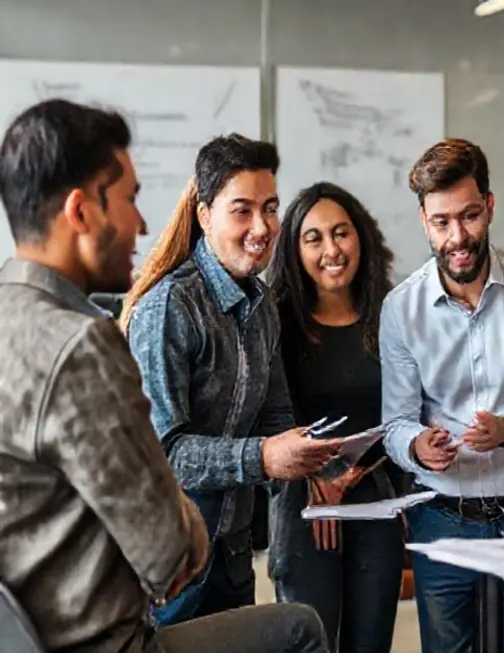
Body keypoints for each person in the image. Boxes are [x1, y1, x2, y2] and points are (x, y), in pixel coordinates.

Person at [0, 99, 326, 653]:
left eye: (271, 208)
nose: (144, 222)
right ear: (81, 212)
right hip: (108, 635)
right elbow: (169, 550)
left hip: (208, 559)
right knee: (301, 630)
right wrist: (240, 475)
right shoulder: (88, 340)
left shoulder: (13, 316)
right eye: (129, 199)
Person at [120, 134, 338, 625]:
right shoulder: (171, 306)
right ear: (204, 215)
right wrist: (264, 456)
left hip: (233, 555)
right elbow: (164, 454)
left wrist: (320, 459)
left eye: (270, 208)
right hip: (171, 563)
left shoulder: (262, 306)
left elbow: (276, 413)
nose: (262, 227)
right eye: (242, 210)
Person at [381, 138, 504, 653]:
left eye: (469, 217)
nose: (457, 237)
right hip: (441, 517)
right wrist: (415, 445)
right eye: (441, 222)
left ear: (490, 207)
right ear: (424, 221)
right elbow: (396, 423)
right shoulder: (401, 310)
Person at [266, 181, 404, 653]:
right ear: (294, 251)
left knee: (371, 643)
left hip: (377, 500)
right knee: (314, 642)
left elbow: (407, 412)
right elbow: (266, 417)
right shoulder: (276, 322)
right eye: (314, 238)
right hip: (306, 503)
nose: (332, 250)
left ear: (361, 237)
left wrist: (363, 476)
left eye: (341, 233)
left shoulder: (392, 314)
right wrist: (319, 475)